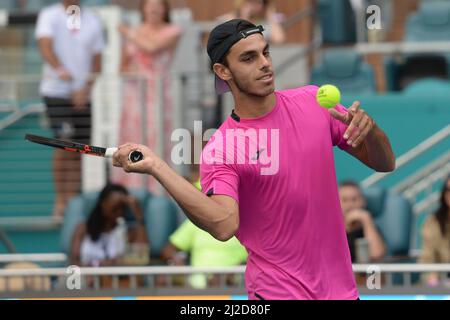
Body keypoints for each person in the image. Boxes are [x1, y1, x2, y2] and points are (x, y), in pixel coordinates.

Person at [113, 19, 396, 300]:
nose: (264, 63)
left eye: (265, 52)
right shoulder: (222, 148)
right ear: (223, 71)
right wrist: (157, 166)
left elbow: (385, 163)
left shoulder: (315, 102)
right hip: (276, 293)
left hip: (342, 294)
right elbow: (224, 224)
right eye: (249, 58)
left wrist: (372, 132)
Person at [36, 0, 105, 217]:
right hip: (56, 92)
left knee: (79, 148)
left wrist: (85, 89)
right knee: (62, 144)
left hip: (82, 97)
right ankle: (60, 200)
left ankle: (73, 200)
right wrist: (60, 70)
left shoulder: (92, 20)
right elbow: (45, 46)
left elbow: (97, 60)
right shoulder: (49, 15)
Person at [112, 0, 182, 193]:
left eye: (159, 5)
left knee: (156, 138)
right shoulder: (135, 31)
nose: (154, 9)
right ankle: (130, 189)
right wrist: (131, 70)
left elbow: (152, 47)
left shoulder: (173, 30)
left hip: (158, 94)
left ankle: (157, 189)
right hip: (135, 95)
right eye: (150, 5)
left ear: (165, 9)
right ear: (143, 8)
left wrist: (127, 32)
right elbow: (122, 67)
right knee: (132, 139)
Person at [70, 184, 149, 267]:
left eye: (122, 207)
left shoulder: (128, 231)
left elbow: (141, 257)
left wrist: (138, 213)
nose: (119, 211)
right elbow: (74, 261)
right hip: (87, 278)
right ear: (102, 203)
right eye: (115, 208)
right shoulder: (83, 228)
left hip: (116, 279)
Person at [161, 219, 248, 289]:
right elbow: (168, 249)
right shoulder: (196, 220)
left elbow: (255, 256)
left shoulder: (245, 223)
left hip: (234, 288)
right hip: (194, 289)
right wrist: (176, 261)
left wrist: (230, 274)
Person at [338, 181, 386, 263]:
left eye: (355, 199)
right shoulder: (330, 229)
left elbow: (377, 255)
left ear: (363, 202)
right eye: (345, 200)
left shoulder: (370, 227)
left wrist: (367, 220)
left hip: (362, 275)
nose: (350, 205)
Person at [419, 176, 450, 287]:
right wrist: (433, 280)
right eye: (448, 190)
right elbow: (427, 258)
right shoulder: (433, 222)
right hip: (443, 283)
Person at [217, 0, 286, 44]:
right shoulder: (227, 19)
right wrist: (244, 17)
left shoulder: (266, 23)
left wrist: (270, 15)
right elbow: (239, 41)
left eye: (260, 2)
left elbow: (278, 40)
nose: (255, 5)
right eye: (251, 1)